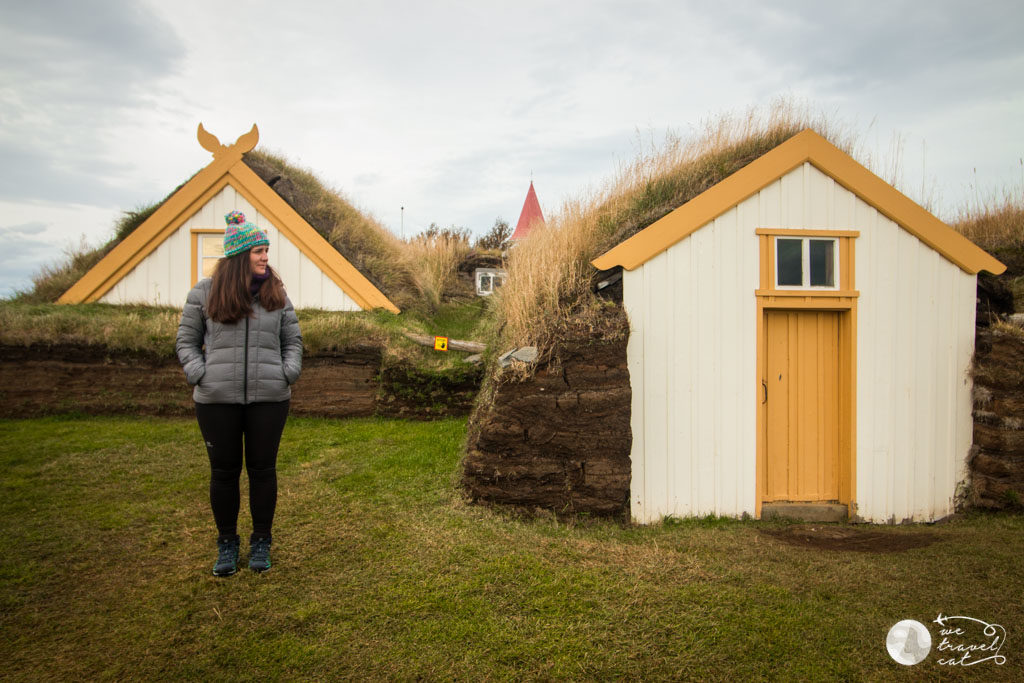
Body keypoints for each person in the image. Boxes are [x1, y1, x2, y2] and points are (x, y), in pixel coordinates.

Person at [175, 210, 302, 576]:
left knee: (263, 471)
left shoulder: (276, 293)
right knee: (224, 473)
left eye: (266, 250)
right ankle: (227, 543)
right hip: (216, 401)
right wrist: (201, 375)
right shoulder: (203, 293)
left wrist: (287, 373)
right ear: (237, 257)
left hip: (269, 398)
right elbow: (185, 341)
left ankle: (261, 540)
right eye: (258, 251)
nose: (265, 256)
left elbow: (292, 340)